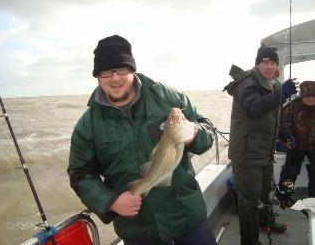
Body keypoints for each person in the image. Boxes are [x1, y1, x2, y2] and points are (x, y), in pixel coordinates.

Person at [67, 35, 217, 244]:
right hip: (138, 230)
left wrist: (196, 133)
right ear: (97, 76)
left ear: (132, 69)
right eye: (106, 71)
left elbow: (208, 129)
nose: (115, 78)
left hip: (187, 218)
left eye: (122, 69)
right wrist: (111, 202)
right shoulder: (88, 125)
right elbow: (80, 174)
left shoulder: (167, 96)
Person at [224, 45, 297, 245]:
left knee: (266, 192)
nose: (270, 66)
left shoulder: (273, 84)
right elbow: (254, 109)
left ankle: (266, 221)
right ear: (258, 63)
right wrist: (280, 94)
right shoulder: (247, 84)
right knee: (249, 201)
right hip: (247, 153)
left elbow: (276, 113)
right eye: (265, 62)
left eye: (273, 63)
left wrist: (284, 134)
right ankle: (249, 241)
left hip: (264, 152)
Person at [277, 80, 315, 198]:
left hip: (314, 146)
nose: (311, 99)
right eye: (308, 96)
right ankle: (282, 195)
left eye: (314, 96)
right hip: (295, 145)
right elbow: (279, 123)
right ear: (302, 95)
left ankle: (313, 197)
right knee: (290, 172)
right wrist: (285, 138)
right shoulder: (292, 105)